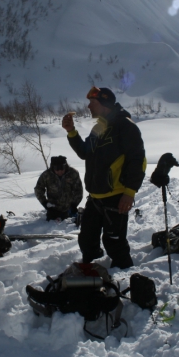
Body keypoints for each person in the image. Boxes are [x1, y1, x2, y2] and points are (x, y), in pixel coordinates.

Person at [61, 87, 146, 269]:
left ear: (104, 103)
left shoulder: (126, 126)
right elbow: (85, 152)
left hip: (116, 197)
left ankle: (124, 278)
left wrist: (129, 193)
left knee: (114, 243)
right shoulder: (100, 126)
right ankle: (89, 275)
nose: (89, 106)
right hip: (95, 197)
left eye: (93, 102)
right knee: (87, 240)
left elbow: (138, 161)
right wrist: (71, 132)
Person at [34, 155, 84, 221]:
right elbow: (38, 189)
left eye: (62, 168)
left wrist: (74, 205)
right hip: (53, 209)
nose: (60, 171)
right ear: (53, 167)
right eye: (57, 169)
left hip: (69, 208)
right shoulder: (46, 175)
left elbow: (78, 190)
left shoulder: (73, 173)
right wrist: (45, 204)